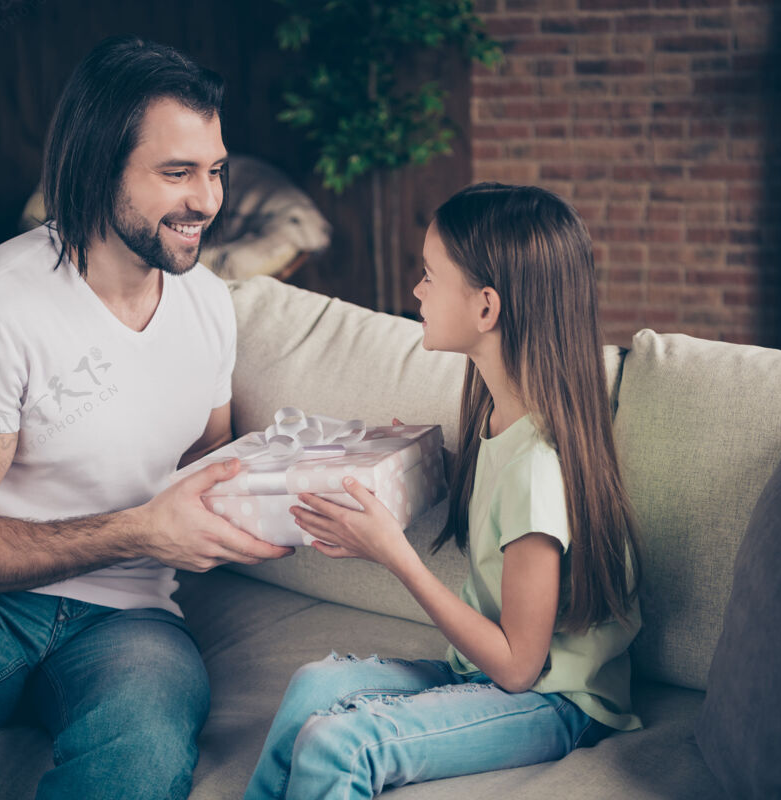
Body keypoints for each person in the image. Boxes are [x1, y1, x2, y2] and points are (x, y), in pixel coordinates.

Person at [0, 36, 292, 800]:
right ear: (98, 167)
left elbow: (209, 461)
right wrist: (139, 529)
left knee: (139, 763)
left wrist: (307, 489)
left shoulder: (208, 303)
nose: (206, 201)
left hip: (130, 617)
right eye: (176, 174)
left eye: (214, 172)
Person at [244, 183, 644, 800]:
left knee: (338, 744)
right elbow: (489, 498)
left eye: (430, 275)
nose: (416, 291)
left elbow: (517, 667)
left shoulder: (539, 469)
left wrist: (393, 555)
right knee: (313, 688)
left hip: (552, 701)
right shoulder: (501, 417)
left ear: (487, 309)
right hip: (490, 677)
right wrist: (408, 464)